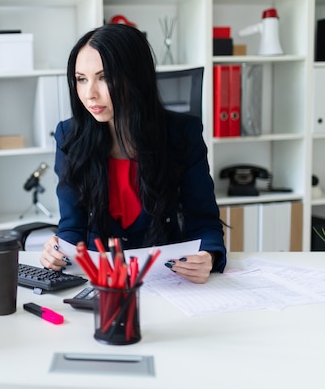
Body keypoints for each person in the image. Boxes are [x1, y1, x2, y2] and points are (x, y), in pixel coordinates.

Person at [40, 24, 226, 284]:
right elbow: (73, 226)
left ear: (135, 77)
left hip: (168, 278)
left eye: (104, 77)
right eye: (81, 79)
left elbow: (203, 219)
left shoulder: (182, 134)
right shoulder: (70, 137)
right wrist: (58, 252)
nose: (89, 92)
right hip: (101, 282)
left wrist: (208, 255)